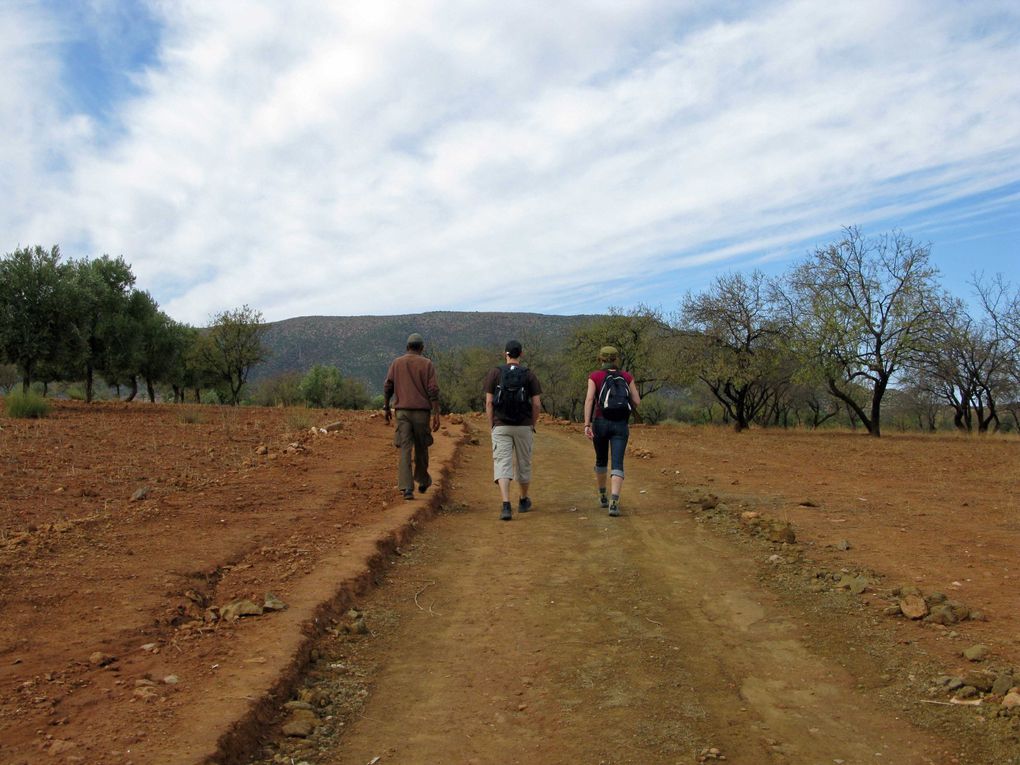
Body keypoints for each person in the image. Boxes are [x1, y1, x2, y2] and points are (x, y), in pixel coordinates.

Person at [483, 340, 543, 521]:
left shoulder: (495, 373)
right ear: (521, 354)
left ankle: (506, 505)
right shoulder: (529, 374)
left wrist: (491, 424)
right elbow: (537, 404)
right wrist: (532, 423)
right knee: (524, 463)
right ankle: (523, 500)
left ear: (505, 354)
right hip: (524, 425)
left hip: (501, 425)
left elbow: (488, 402)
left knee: (502, 463)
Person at [583, 345, 641, 517]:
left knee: (601, 460)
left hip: (600, 422)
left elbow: (589, 399)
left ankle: (602, 495)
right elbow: (637, 401)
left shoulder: (595, 376)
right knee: (617, 463)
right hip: (620, 424)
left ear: (600, 359)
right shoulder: (626, 376)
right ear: (616, 359)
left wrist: (587, 424)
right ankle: (614, 502)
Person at [383, 333, 441, 500]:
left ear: (407, 347)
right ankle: (422, 480)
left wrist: (386, 407)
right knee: (422, 448)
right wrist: (436, 413)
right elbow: (433, 390)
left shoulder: (397, 363)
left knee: (405, 449)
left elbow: (388, 386)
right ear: (421, 348)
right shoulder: (427, 364)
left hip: (402, 413)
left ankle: (406, 488)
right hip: (422, 413)